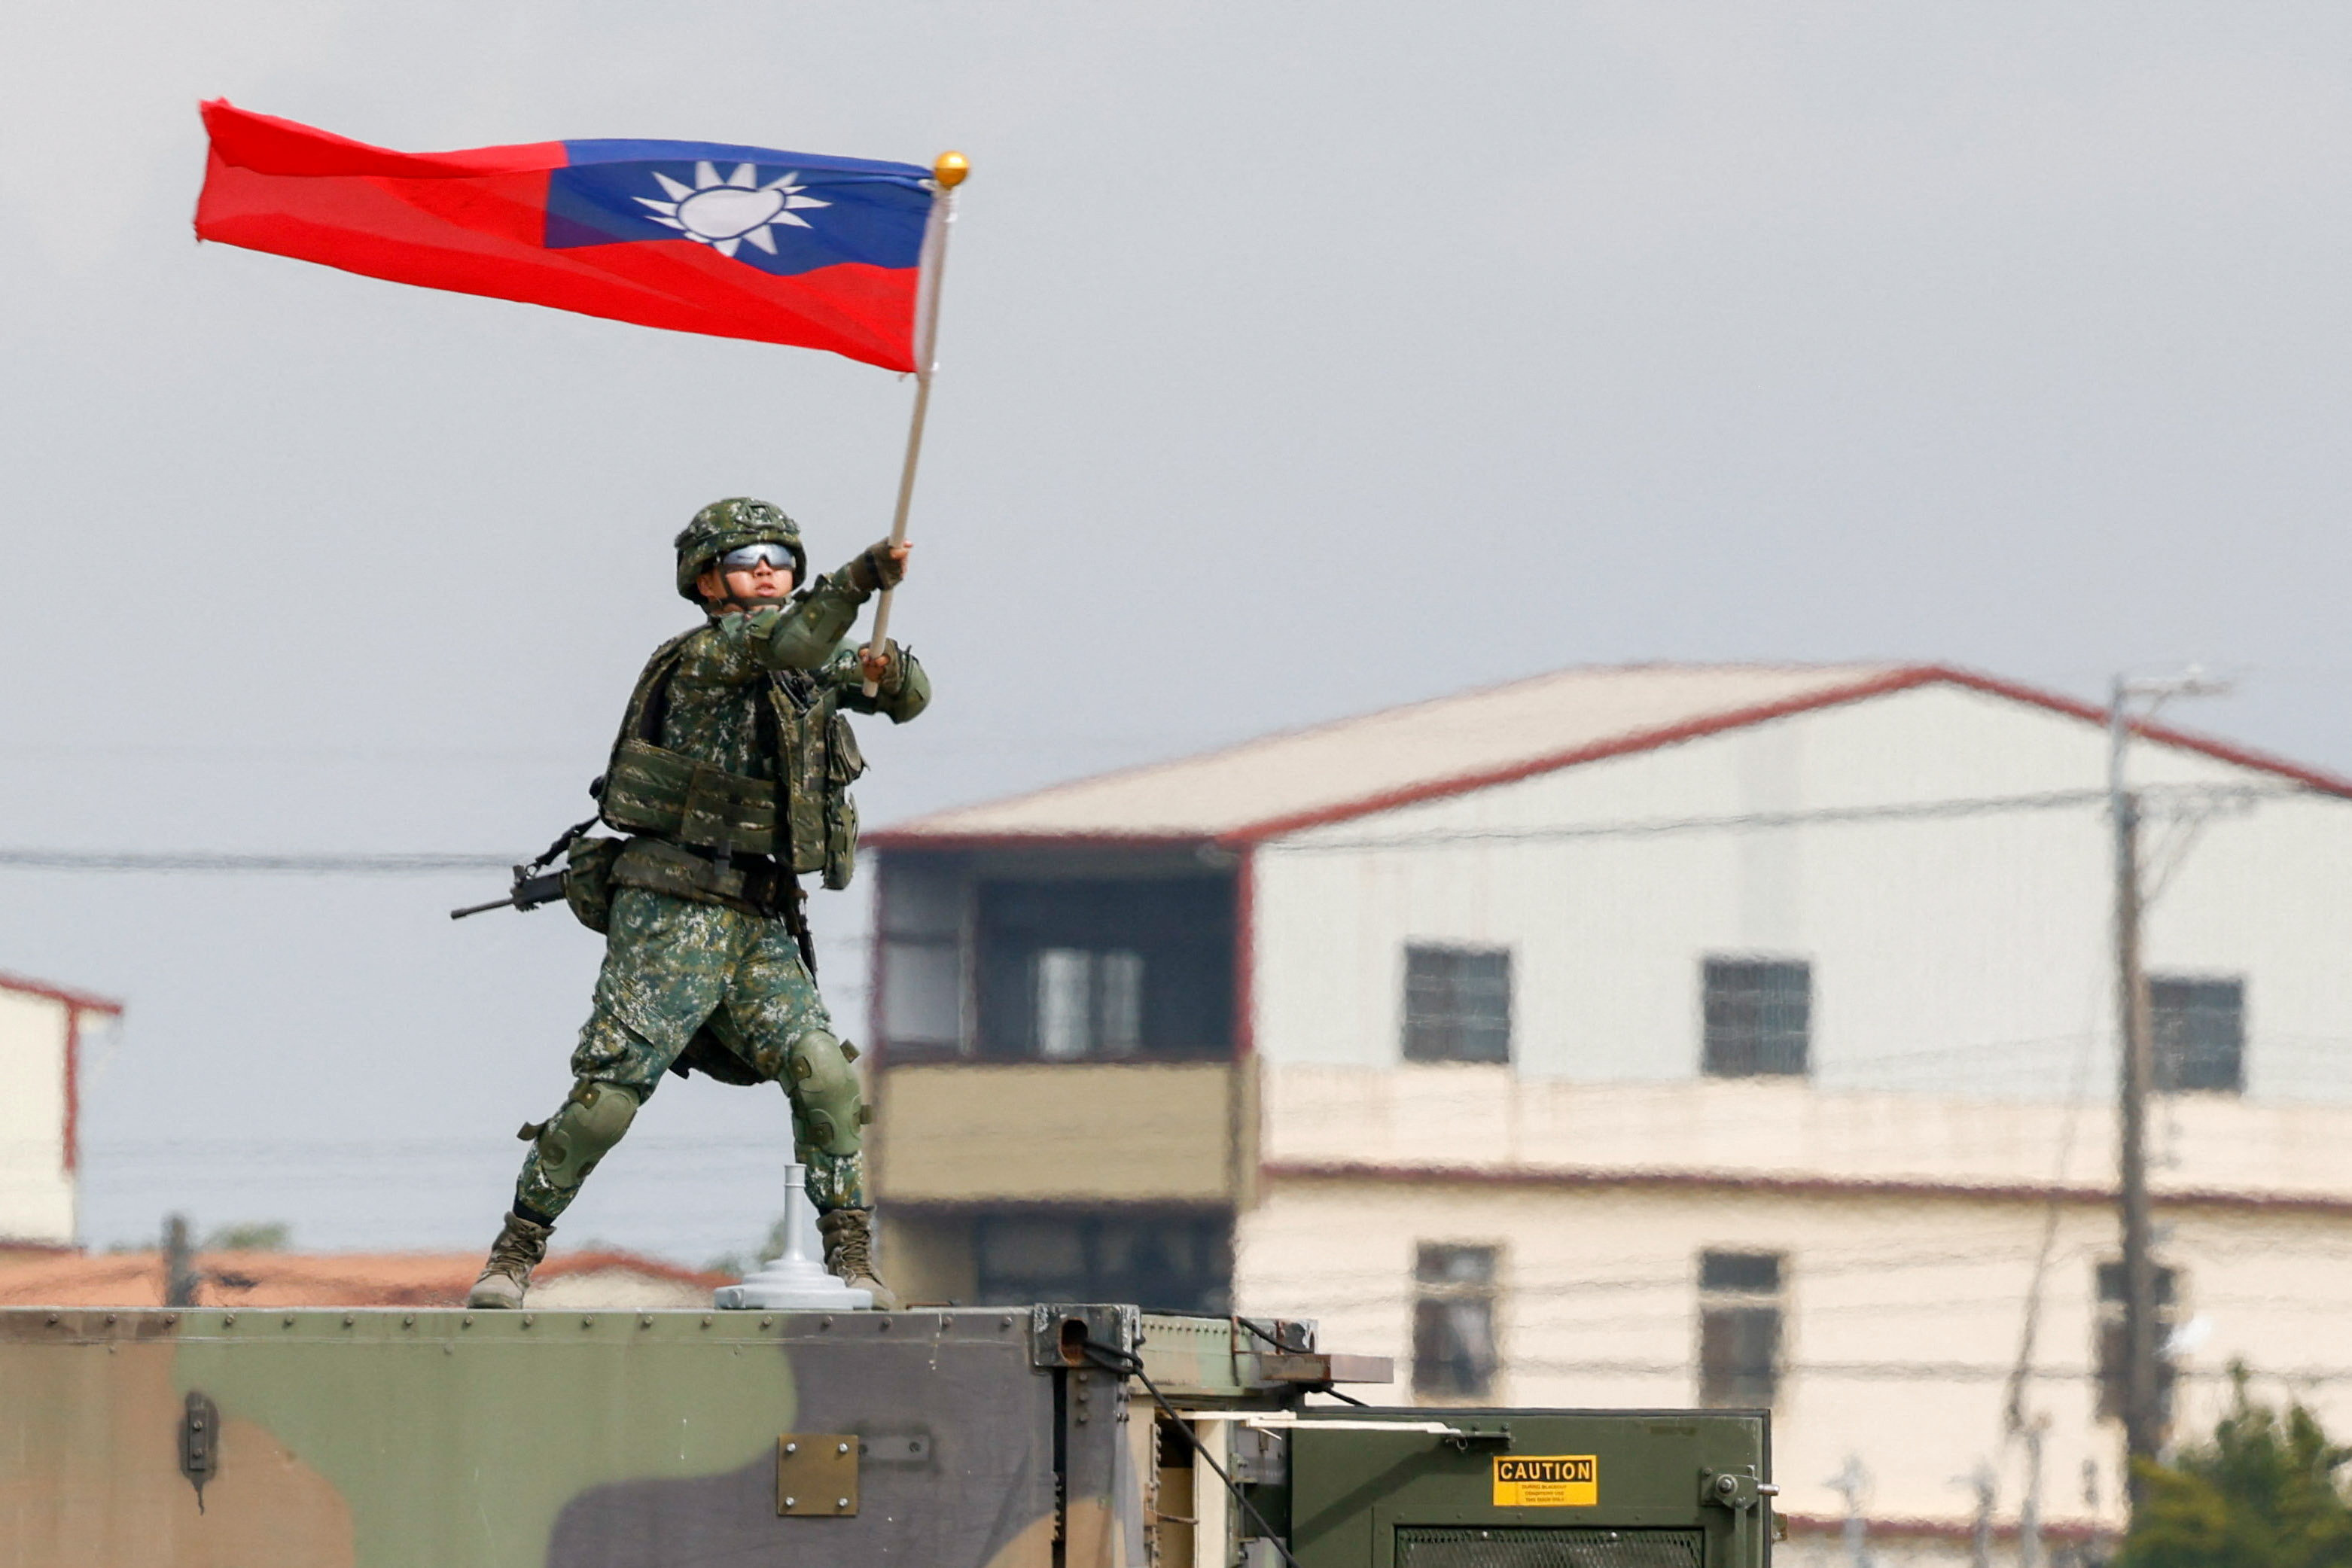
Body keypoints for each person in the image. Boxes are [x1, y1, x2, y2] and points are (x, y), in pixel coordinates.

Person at [468, 497, 928, 1310]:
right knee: (609, 1096)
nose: (767, 570)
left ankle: (851, 1253)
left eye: (781, 558)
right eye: (748, 556)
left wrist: (889, 672)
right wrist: (858, 579)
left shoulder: (803, 659)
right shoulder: (717, 652)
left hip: (757, 919)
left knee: (822, 1072)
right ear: (707, 579)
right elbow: (795, 639)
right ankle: (515, 1250)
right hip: (672, 910)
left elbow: (904, 694)